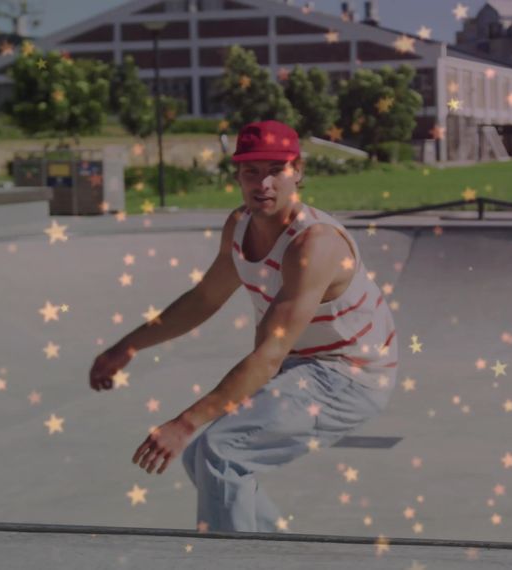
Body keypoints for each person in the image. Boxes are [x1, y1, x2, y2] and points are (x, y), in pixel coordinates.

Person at [88, 120, 399, 534]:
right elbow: (204, 299)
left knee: (221, 452)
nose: (263, 184)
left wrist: (184, 423)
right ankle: (267, 550)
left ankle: (238, 558)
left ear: (298, 171)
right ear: (237, 175)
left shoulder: (315, 244)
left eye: (276, 170)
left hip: (351, 374)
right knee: (203, 458)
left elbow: (268, 356)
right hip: (301, 365)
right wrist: (127, 346)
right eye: (251, 171)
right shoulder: (240, 226)